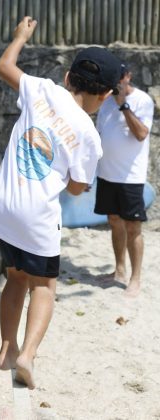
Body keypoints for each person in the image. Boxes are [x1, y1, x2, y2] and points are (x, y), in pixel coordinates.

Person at [0, 16, 121, 389]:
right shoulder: (89, 135)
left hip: (1, 207)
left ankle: (6, 349)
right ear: (106, 95)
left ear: (67, 78)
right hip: (36, 217)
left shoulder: (41, 89)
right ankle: (26, 355)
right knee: (43, 285)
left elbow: (3, 67)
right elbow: (77, 188)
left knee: (14, 277)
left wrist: (20, 37)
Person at [94, 63, 154, 297]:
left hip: (131, 177)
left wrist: (123, 107)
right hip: (107, 174)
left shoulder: (143, 101)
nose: (116, 83)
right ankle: (119, 270)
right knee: (114, 221)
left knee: (133, 227)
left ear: (128, 76)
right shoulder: (104, 102)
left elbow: (140, 134)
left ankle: (135, 278)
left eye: (120, 78)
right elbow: (99, 138)